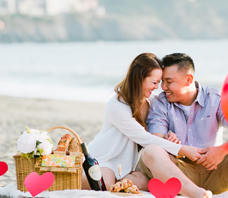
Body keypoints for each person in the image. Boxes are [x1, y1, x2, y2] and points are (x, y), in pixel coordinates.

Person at [136, 53, 228, 198]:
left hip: (214, 168)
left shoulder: (215, 99)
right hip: (179, 172)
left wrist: (221, 151)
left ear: (188, 79)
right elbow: (155, 140)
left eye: (169, 82)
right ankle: (195, 193)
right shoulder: (161, 102)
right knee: (151, 150)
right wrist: (168, 141)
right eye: (162, 82)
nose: (163, 87)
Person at [85, 53, 202, 190]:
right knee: (106, 183)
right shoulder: (117, 106)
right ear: (139, 79)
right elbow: (144, 138)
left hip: (127, 166)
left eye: (159, 82)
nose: (157, 87)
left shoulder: (151, 101)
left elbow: (158, 126)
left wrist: (168, 134)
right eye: (154, 82)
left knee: (151, 181)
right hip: (104, 159)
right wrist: (183, 150)